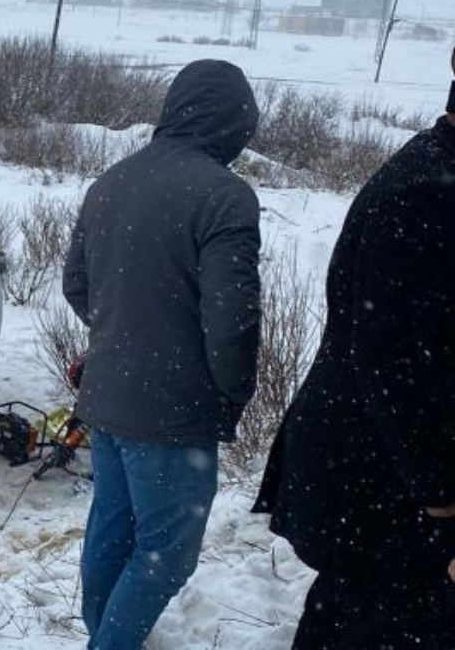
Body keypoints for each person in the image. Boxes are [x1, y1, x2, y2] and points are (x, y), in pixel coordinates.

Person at [253, 51, 455, 650]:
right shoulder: (428, 193)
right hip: (388, 484)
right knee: (379, 623)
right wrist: (440, 496)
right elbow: (393, 362)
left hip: (381, 477)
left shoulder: (433, 171)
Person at [63, 59, 262, 650]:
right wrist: (231, 390)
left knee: (114, 528)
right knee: (167, 551)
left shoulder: (113, 180)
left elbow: (77, 284)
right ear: (234, 124)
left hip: (108, 396)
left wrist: (126, 338)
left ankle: (107, 635)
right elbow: (233, 321)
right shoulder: (225, 196)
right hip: (173, 409)